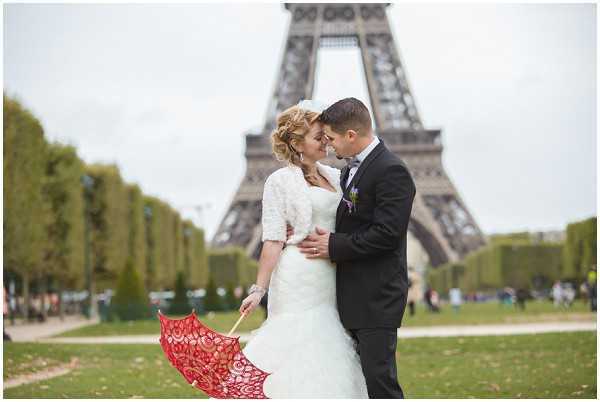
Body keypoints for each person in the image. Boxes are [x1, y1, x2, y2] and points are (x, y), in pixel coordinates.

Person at [238, 100, 368, 398]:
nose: (326, 140)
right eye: (318, 136)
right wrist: (258, 290)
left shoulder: (337, 177)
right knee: (300, 338)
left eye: (326, 135)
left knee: (329, 339)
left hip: (331, 274)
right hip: (298, 273)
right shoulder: (279, 182)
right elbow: (272, 239)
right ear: (297, 143)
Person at [293, 98, 416, 398]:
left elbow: (387, 234)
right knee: (359, 384)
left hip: (377, 298)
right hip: (352, 297)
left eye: (332, 138)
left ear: (350, 135)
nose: (329, 145)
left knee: (379, 382)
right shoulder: (350, 171)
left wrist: (334, 246)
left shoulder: (391, 171)